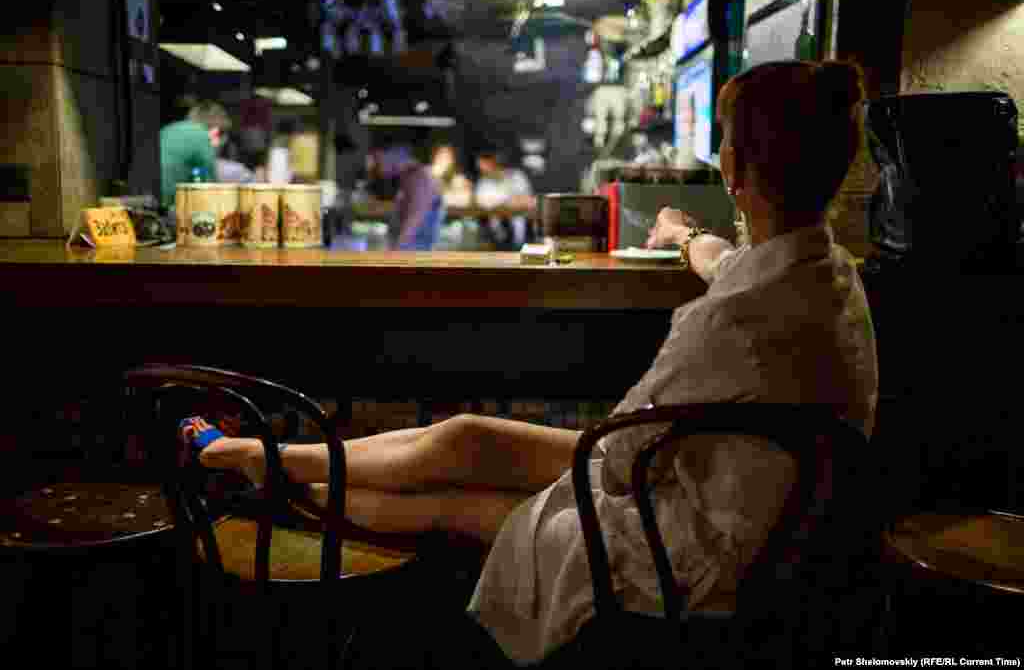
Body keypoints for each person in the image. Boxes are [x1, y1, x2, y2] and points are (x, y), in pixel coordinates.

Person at [181, 60, 878, 667]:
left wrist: (697, 251)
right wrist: (686, 237)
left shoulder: (737, 317)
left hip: (686, 546)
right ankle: (264, 457)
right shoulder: (830, 276)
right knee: (462, 439)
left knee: (444, 501)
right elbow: (731, 265)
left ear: (734, 165)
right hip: (724, 513)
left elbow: (615, 457)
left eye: (725, 138)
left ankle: (264, 471)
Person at [367, 142, 445, 251]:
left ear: (395, 154)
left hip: (415, 254)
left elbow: (415, 217)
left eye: (378, 158)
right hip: (408, 250)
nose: (377, 165)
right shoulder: (407, 177)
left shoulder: (421, 177)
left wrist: (397, 248)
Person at [160, 101, 231, 209]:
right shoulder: (202, 135)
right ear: (216, 131)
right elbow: (209, 189)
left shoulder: (169, 129)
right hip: (167, 204)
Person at [474, 149, 537, 251]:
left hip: (523, 233)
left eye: (484, 163)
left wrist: (506, 202)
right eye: (480, 164)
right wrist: (508, 201)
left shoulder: (516, 176)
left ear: (494, 161)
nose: (481, 167)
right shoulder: (483, 183)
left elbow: (530, 201)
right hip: (497, 235)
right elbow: (483, 204)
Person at [431, 144, 474, 208]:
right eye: (441, 156)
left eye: (447, 157)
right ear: (434, 158)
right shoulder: (426, 175)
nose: (444, 160)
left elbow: (465, 200)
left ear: (452, 160)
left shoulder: (458, 178)